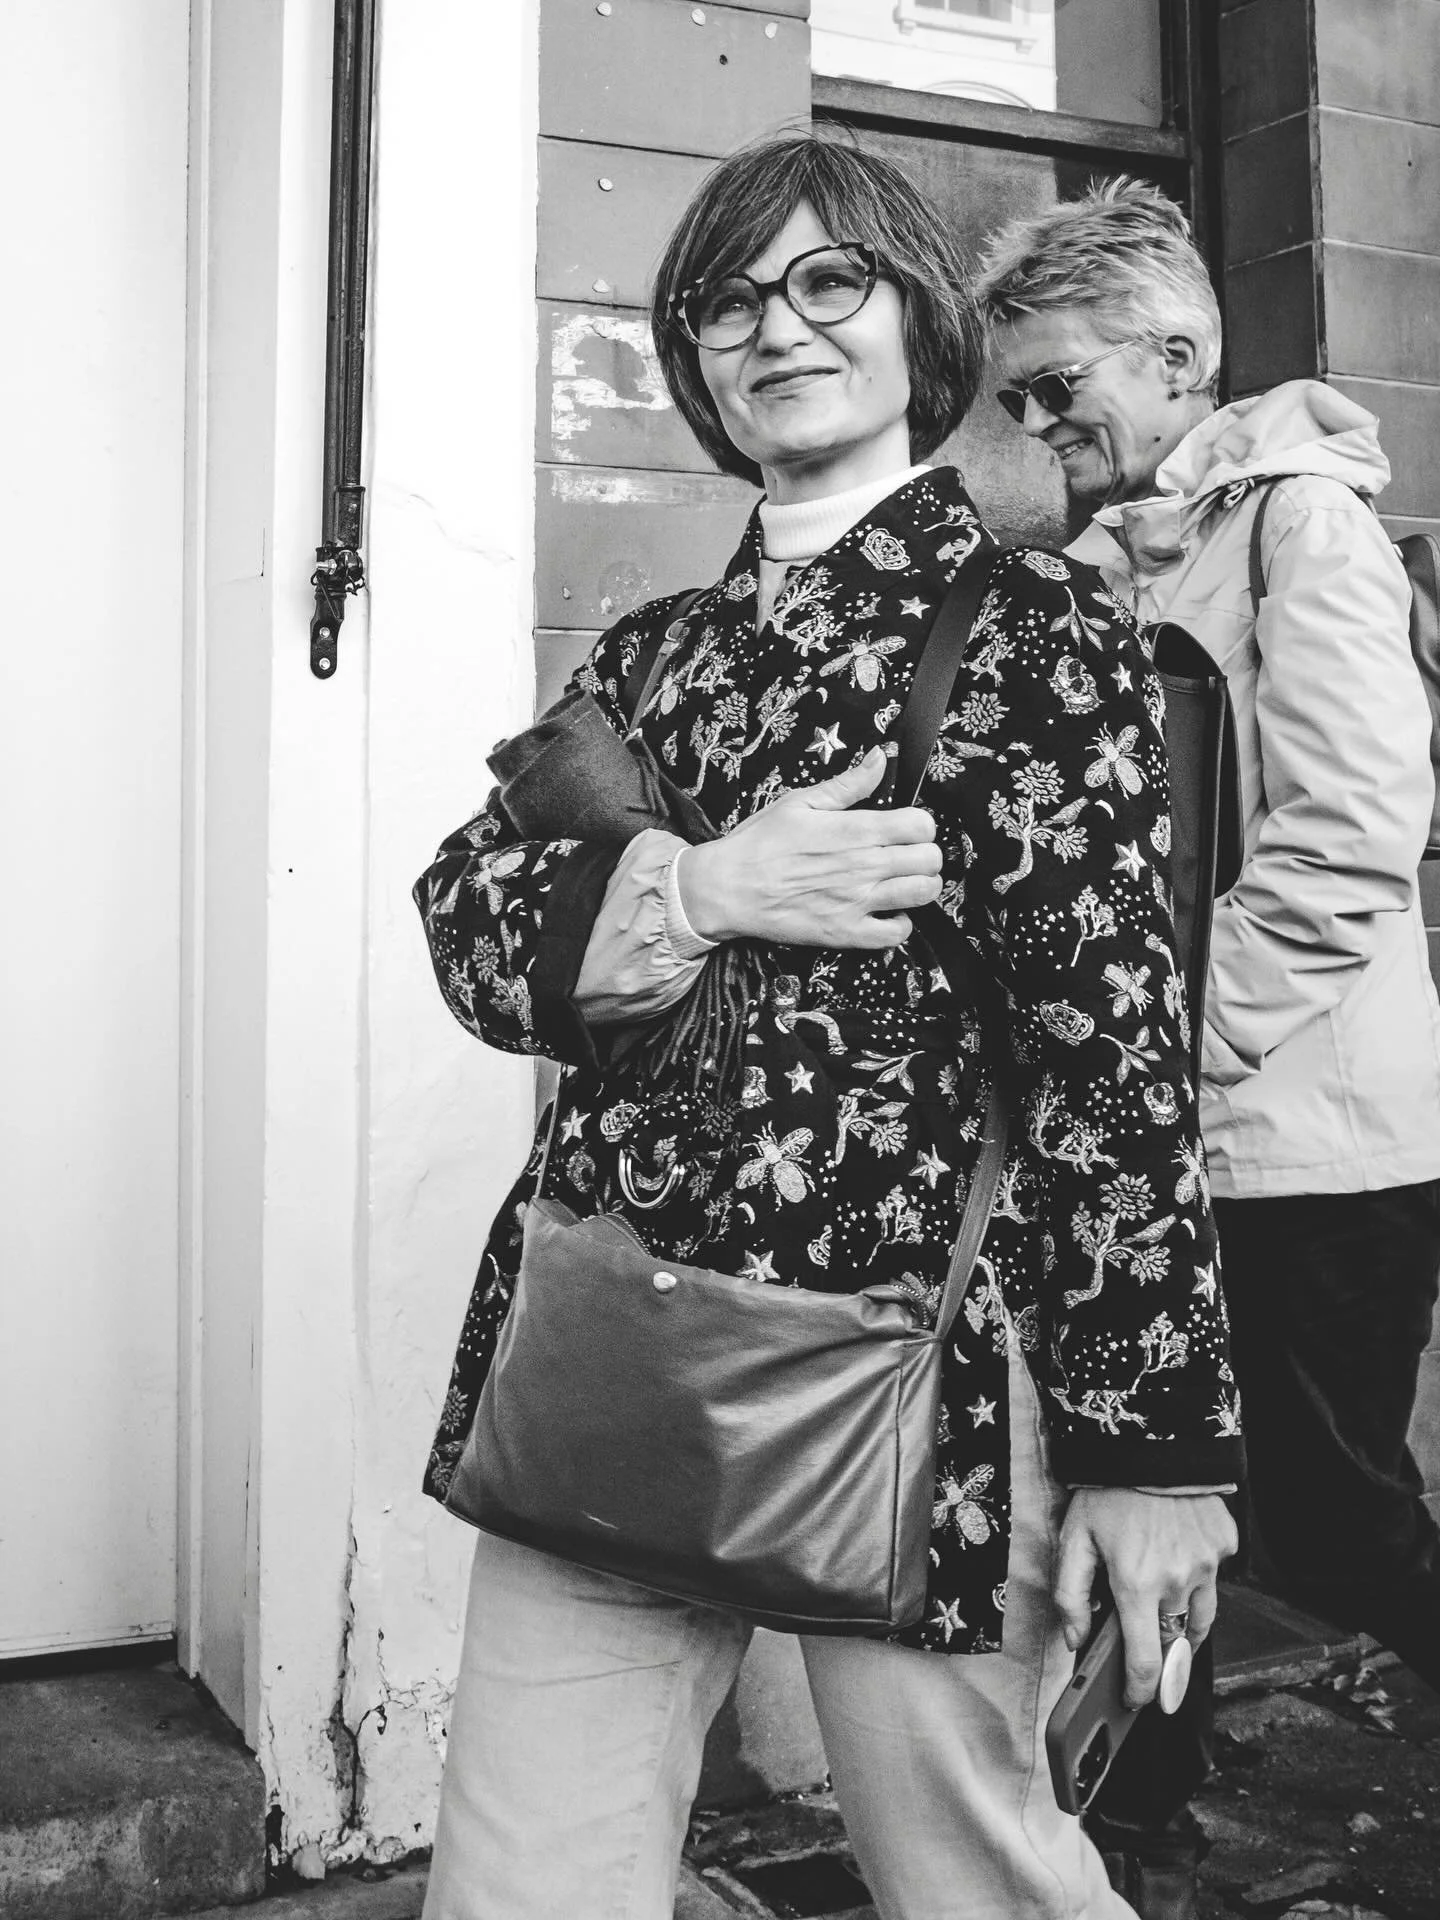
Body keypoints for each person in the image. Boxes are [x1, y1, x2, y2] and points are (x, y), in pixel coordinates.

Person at [413, 136, 1241, 1920]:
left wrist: (1153, 1453)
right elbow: (462, 918)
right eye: (728, 301)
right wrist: (705, 887)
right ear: (694, 358)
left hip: (913, 1395)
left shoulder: (1034, 632)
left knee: (975, 1883)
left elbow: (1111, 1060)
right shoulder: (651, 654)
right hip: (617, 1358)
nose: (776, 329)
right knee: (515, 1886)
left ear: (917, 319)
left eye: (826, 281)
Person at [977, 177, 1440, 1919]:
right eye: (1015, 396)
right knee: (1137, 1478)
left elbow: (1350, 840)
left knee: (1328, 1519)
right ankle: (1137, 1828)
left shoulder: (1303, 528)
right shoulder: (1115, 558)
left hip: (1313, 1147)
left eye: (1060, 386)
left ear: (1175, 359)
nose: (1038, 424)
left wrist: (1160, 1052)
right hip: (1177, 1142)